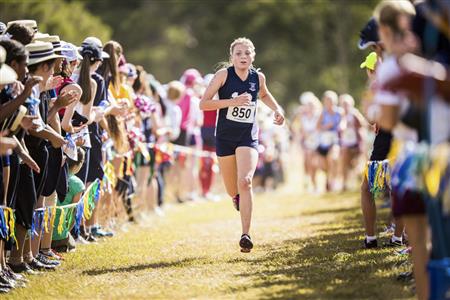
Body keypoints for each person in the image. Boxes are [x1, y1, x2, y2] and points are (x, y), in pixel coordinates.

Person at [200, 37, 284, 252]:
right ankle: (236, 198)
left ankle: (245, 234)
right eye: (238, 53)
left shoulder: (258, 77)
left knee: (245, 181)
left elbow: (263, 94)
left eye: (247, 53)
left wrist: (277, 109)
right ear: (232, 57)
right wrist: (231, 102)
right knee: (232, 189)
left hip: (248, 137)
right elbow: (204, 104)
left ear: (253, 56)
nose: (243, 57)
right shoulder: (223, 75)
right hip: (225, 138)